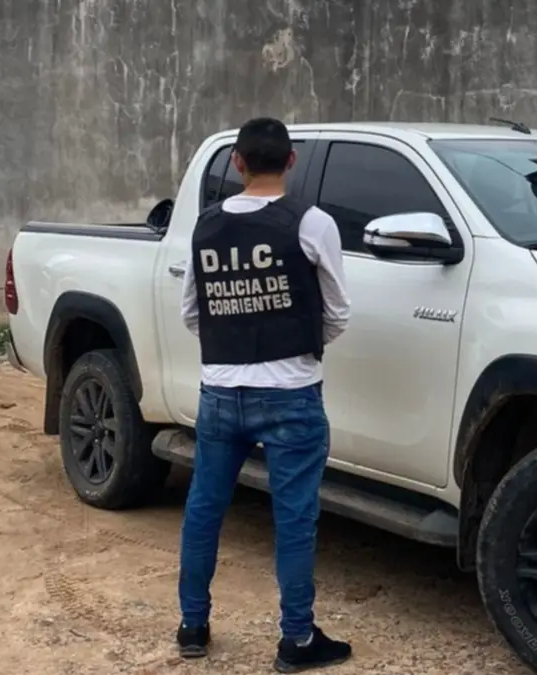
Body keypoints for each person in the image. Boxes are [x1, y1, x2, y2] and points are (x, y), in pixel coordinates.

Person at [175, 117, 352, 672]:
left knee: (204, 509)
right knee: (294, 519)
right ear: (291, 160)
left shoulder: (205, 225)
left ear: (238, 163)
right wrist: (295, 351)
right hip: (291, 394)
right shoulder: (312, 223)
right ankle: (296, 640)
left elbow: (191, 313)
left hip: (220, 392)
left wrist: (234, 341)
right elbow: (337, 313)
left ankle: (192, 626)